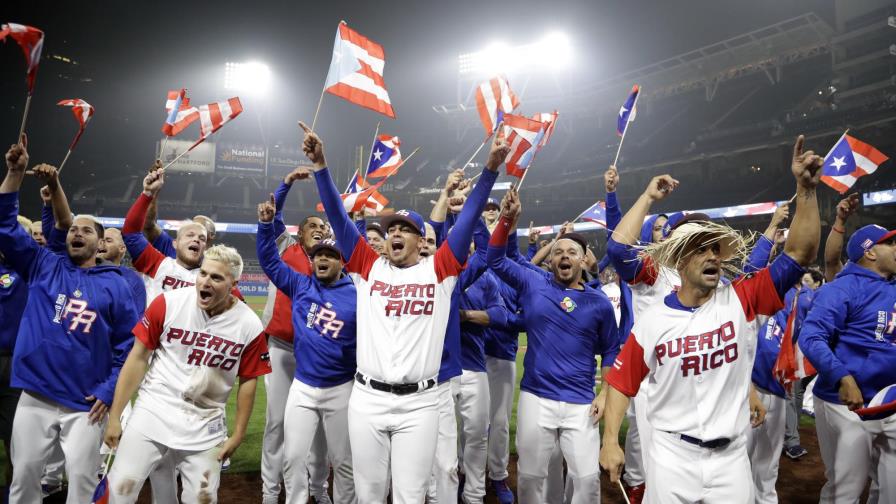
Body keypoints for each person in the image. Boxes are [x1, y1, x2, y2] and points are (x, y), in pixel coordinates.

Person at [600, 135, 822, 503]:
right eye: (699, 249)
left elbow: (800, 253)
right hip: (671, 455)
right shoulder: (653, 316)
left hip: (732, 459)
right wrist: (610, 442)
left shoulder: (741, 296)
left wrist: (806, 191)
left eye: (714, 248)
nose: (712, 256)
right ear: (678, 259)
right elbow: (622, 383)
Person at [303, 119, 507, 503]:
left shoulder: (441, 270)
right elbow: (337, 216)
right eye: (390, 228)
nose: (394, 233)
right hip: (367, 399)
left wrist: (490, 171)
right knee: (369, 494)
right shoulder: (368, 266)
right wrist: (321, 166)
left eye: (404, 229)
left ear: (420, 239)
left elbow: (465, 221)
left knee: (411, 496)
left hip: (420, 403)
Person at [1, 139, 139, 503]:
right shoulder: (43, 264)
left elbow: (127, 347)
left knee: (81, 483)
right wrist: (15, 174)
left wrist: (109, 391)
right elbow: (4, 226)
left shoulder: (116, 285)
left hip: (85, 405)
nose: (78, 233)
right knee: (24, 480)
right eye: (73, 229)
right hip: (35, 395)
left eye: (88, 231)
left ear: (99, 244)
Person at [103, 245, 271, 503]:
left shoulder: (249, 324)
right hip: (154, 410)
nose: (205, 282)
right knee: (121, 488)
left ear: (234, 283)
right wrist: (115, 415)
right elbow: (137, 359)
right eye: (203, 273)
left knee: (202, 498)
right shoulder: (169, 303)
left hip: (206, 422)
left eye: (216, 277)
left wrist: (238, 434)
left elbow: (249, 380)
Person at [488, 189, 619, 503]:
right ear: (550, 259)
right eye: (558, 251)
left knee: (587, 481)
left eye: (572, 252)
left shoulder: (599, 303)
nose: (564, 256)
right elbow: (495, 258)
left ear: (582, 260)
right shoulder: (535, 284)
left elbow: (612, 350)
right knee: (532, 477)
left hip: (581, 402)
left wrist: (605, 391)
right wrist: (508, 220)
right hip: (537, 397)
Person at [257, 192, 358, 504]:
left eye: (331, 255)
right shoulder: (301, 285)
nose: (323, 259)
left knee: (343, 462)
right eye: (319, 256)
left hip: (341, 387)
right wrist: (264, 225)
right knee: (293, 456)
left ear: (343, 261)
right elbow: (269, 260)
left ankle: (328, 494)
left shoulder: (358, 295)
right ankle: (285, 497)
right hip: (302, 383)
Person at [800, 223, 896, 503]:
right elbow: (811, 336)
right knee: (846, 488)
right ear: (870, 253)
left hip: (889, 399)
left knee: (891, 487)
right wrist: (843, 376)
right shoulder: (842, 288)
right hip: (846, 402)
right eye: (890, 243)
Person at [259, 168, 333, 504]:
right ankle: (270, 491)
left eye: (323, 227)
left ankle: (319, 490)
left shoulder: (333, 260)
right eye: (312, 227)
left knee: (318, 426)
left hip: (314, 353)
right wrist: (286, 182)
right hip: (280, 349)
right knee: (276, 422)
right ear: (299, 233)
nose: (319, 230)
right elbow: (273, 211)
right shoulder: (285, 246)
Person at [122, 167, 209, 304]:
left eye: (202, 238)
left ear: (206, 248)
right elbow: (131, 233)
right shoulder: (158, 263)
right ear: (175, 243)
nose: (196, 239)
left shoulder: (212, 278)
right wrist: (148, 193)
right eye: (190, 235)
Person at [140, 160, 217, 258]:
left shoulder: (218, 263)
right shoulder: (173, 247)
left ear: (211, 236)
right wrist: (152, 192)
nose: (194, 229)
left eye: (200, 227)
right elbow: (149, 225)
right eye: (191, 227)